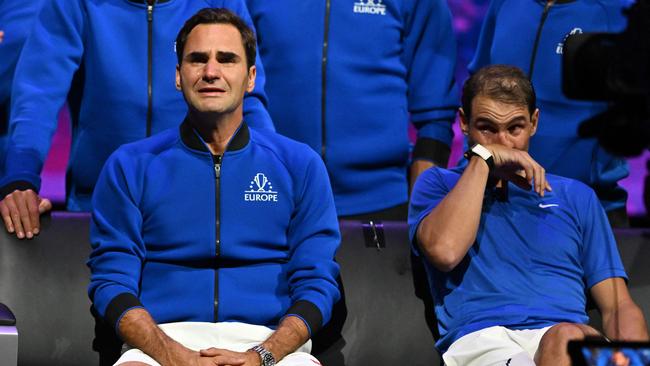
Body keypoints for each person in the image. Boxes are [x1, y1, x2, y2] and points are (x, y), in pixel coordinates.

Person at [87, 8, 340, 366]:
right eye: (197, 59)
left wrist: (261, 355)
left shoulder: (300, 165)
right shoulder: (130, 166)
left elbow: (318, 283)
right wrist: (173, 355)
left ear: (251, 78)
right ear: (178, 76)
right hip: (160, 342)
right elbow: (111, 282)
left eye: (227, 59)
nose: (210, 72)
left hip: (268, 343)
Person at [408, 65, 649, 366]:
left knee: (567, 339)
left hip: (565, 339)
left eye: (514, 128)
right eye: (487, 128)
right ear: (464, 123)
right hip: (484, 342)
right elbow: (445, 251)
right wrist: (482, 161)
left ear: (534, 123)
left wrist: (636, 358)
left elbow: (617, 307)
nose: (502, 143)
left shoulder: (575, 197)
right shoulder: (439, 185)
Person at [0, 0, 274, 240]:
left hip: (198, 205)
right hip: (98, 206)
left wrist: (272, 172)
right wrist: (20, 178)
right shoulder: (75, 3)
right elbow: (39, 93)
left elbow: (248, 98)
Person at [245, 0, 459, 220]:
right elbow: (238, 93)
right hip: (271, 194)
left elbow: (436, 115)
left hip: (382, 202)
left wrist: (420, 214)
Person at [468, 0, 632, 226]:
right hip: (492, 207)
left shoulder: (618, 11)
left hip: (586, 214)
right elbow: (476, 92)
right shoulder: (504, 4)